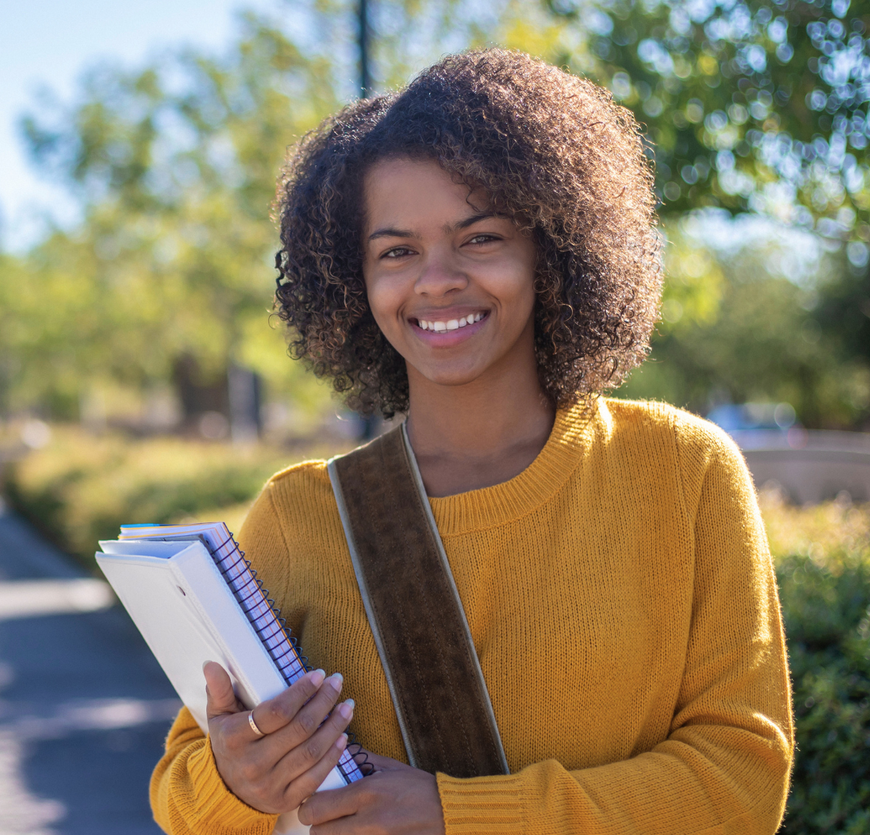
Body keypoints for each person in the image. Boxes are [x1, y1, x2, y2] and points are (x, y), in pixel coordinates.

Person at [148, 49, 795, 834]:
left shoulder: (683, 471)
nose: (437, 279)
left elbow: (742, 780)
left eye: (479, 238)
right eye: (396, 251)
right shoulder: (301, 514)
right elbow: (180, 789)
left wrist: (459, 814)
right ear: (354, 280)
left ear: (551, 248)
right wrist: (237, 779)